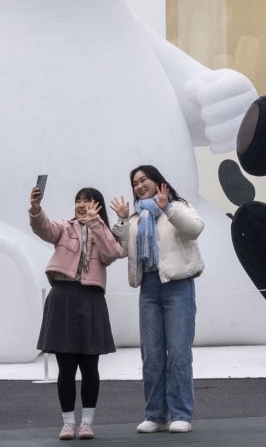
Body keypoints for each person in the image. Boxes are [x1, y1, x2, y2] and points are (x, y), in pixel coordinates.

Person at [111, 166, 204, 435]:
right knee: (151, 354)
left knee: (178, 353)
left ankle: (181, 413)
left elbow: (195, 228)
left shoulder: (177, 206)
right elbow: (123, 251)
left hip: (177, 286)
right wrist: (122, 222)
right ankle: (155, 414)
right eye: (135, 183)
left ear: (157, 181)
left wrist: (168, 208)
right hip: (149, 287)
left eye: (144, 180)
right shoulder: (138, 218)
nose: (140, 185)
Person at [30, 185, 125, 441]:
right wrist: (36, 210)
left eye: (88, 201)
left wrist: (95, 223)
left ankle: (87, 423)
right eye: (78, 200)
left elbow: (113, 252)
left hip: (91, 298)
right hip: (62, 296)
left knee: (90, 365)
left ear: (98, 206)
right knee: (66, 367)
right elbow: (45, 229)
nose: (81, 205)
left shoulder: (102, 230)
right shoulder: (65, 227)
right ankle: (68, 423)